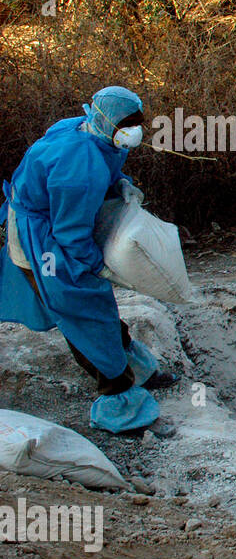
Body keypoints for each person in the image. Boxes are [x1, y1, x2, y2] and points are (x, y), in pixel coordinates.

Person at [1, 86, 174, 433]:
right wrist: (99, 266)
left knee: (95, 307)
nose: (135, 130)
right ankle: (121, 406)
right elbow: (72, 235)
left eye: (137, 122)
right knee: (79, 311)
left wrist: (119, 184)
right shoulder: (77, 172)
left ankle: (135, 368)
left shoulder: (92, 131)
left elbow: (104, 168)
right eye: (128, 124)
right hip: (45, 240)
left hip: (54, 224)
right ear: (107, 121)